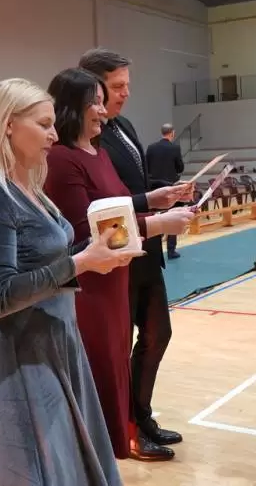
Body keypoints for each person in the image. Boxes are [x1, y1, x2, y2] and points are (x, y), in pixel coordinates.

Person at [0, 77, 141, 485]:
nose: (54, 135)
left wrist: (97, 250)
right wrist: (80, 263)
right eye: (43, 124)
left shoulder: (28, 187)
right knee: (41, 470)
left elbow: (54, 259)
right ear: (7, 124)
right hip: (22, 352)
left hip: (58, 341)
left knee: (72, 467)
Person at [44, 68, 193, 462]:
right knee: (102, 370)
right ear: (72, 108)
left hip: (116, 276)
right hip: (92, 283)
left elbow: (120, 206)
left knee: (118, 365)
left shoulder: (100, 152)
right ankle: (107, 450)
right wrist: (159, 224)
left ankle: (124, 437)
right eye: (95, 102)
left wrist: (156, 201)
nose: (103, 109)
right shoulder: (62, 159)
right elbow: (87, 231)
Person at [146, 123, 186, 260]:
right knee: (172, 215)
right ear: (172, 133)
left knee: (155, 216)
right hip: (170, 186)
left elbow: (146, 167)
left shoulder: (151, 148)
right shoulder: (175, 148)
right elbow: (180, 168)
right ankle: (171, 250)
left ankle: (154, 250)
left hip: (154, 187)